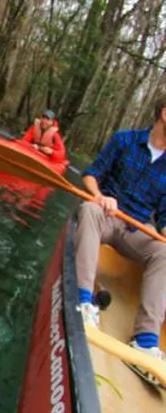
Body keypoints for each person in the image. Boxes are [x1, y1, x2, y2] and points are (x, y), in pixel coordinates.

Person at [76, 94, 166, 385]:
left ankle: (145, 339)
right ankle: (85, 303)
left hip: (135, 230)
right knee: (88, 209)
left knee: (164, 253)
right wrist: (100, 196)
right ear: (164, 113)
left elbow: (163, 218)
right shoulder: (124, 140)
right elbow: (91, 175)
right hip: (105, 216)